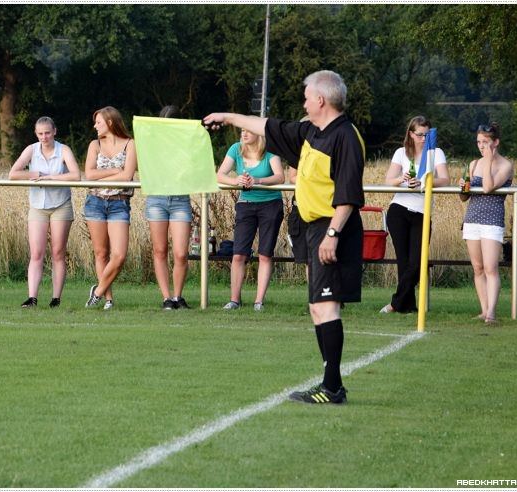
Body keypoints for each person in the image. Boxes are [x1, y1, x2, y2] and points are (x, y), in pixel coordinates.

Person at [204, 70, 365, 404]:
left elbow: (348, 195)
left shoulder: (346, 137)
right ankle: (331, 384)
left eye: (307, 96)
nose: (303, 102)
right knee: (317, 307)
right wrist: (227, 117)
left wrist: (332, 234)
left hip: (333, 227)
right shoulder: (311, 131)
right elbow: (266, 125)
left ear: (321, 100)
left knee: (326, 306)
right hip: (313, 228)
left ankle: (332, 388)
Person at [380, 116, 450, 314]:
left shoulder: (435, 153)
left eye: (426, 135)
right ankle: (407, 306)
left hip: (421, 211)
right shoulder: (401, 152)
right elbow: (388, 181)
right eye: (419, 135)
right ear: (411, 134)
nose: (423, 138)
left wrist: (426, 182)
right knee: (403, 262)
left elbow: (444, 179)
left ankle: (396, 303)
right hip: (399, 209)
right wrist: (402, 179)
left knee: (417, 262)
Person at [9, 116, 81, 308]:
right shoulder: (31, 150)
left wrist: (52, 178)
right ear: (36, 134)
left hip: (60, 205)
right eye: (40, 133)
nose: (44, 137)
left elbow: (76, 175)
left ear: (54, 131)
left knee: (58, 252)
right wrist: (36, 175)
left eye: (47, 133)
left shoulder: (63, 149)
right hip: (38, 207)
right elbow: (13, 173)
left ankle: (56, 299)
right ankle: (32, 298)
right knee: (36, 253)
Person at [216, 129, 285, 311]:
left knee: (265, 254)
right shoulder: (235, 149)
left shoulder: (270, 150)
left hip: (270, 204)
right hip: (246, 204)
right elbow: (220, 174)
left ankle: (259, 301)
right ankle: (234, 300)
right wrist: (236, 181)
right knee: (239, 254)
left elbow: (280, 176)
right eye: (242, 131)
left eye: (248, 131)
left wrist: (258, 180)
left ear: (259, 134)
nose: (244, 134)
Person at [83, 106, 138, 310]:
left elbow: (127, 176)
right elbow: (88, 175)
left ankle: (96, 291)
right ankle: (107, 299)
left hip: (119, 203)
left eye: (98, 122)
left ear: (110, 122)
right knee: (100, 253)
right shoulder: (94, 145)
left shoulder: (130, 144)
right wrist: (115, 169)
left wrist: (104, 174)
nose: (95, 125)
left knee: (119, 255)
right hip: (95, 202)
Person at [458, 122, 513, 324]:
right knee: (478, 268)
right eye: (479, 142)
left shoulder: (506, 165)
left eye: (486, 142)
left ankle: (491, 312)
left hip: (492, 220)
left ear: (495, 142)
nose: (481, 146)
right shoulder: (473, 164)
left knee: (491, 267)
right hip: (472, 218)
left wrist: (489, 161)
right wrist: (463, 188)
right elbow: (465, 198)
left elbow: (488, 187)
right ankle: (483, 310)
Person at [145, 105, 193, 310]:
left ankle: (178, 296)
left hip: (180, 199)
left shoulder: (187, 145)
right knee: (160, 249)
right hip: (157, 199)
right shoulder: (152, 145)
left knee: (181, 253)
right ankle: (166, 297)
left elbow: (192, 169)